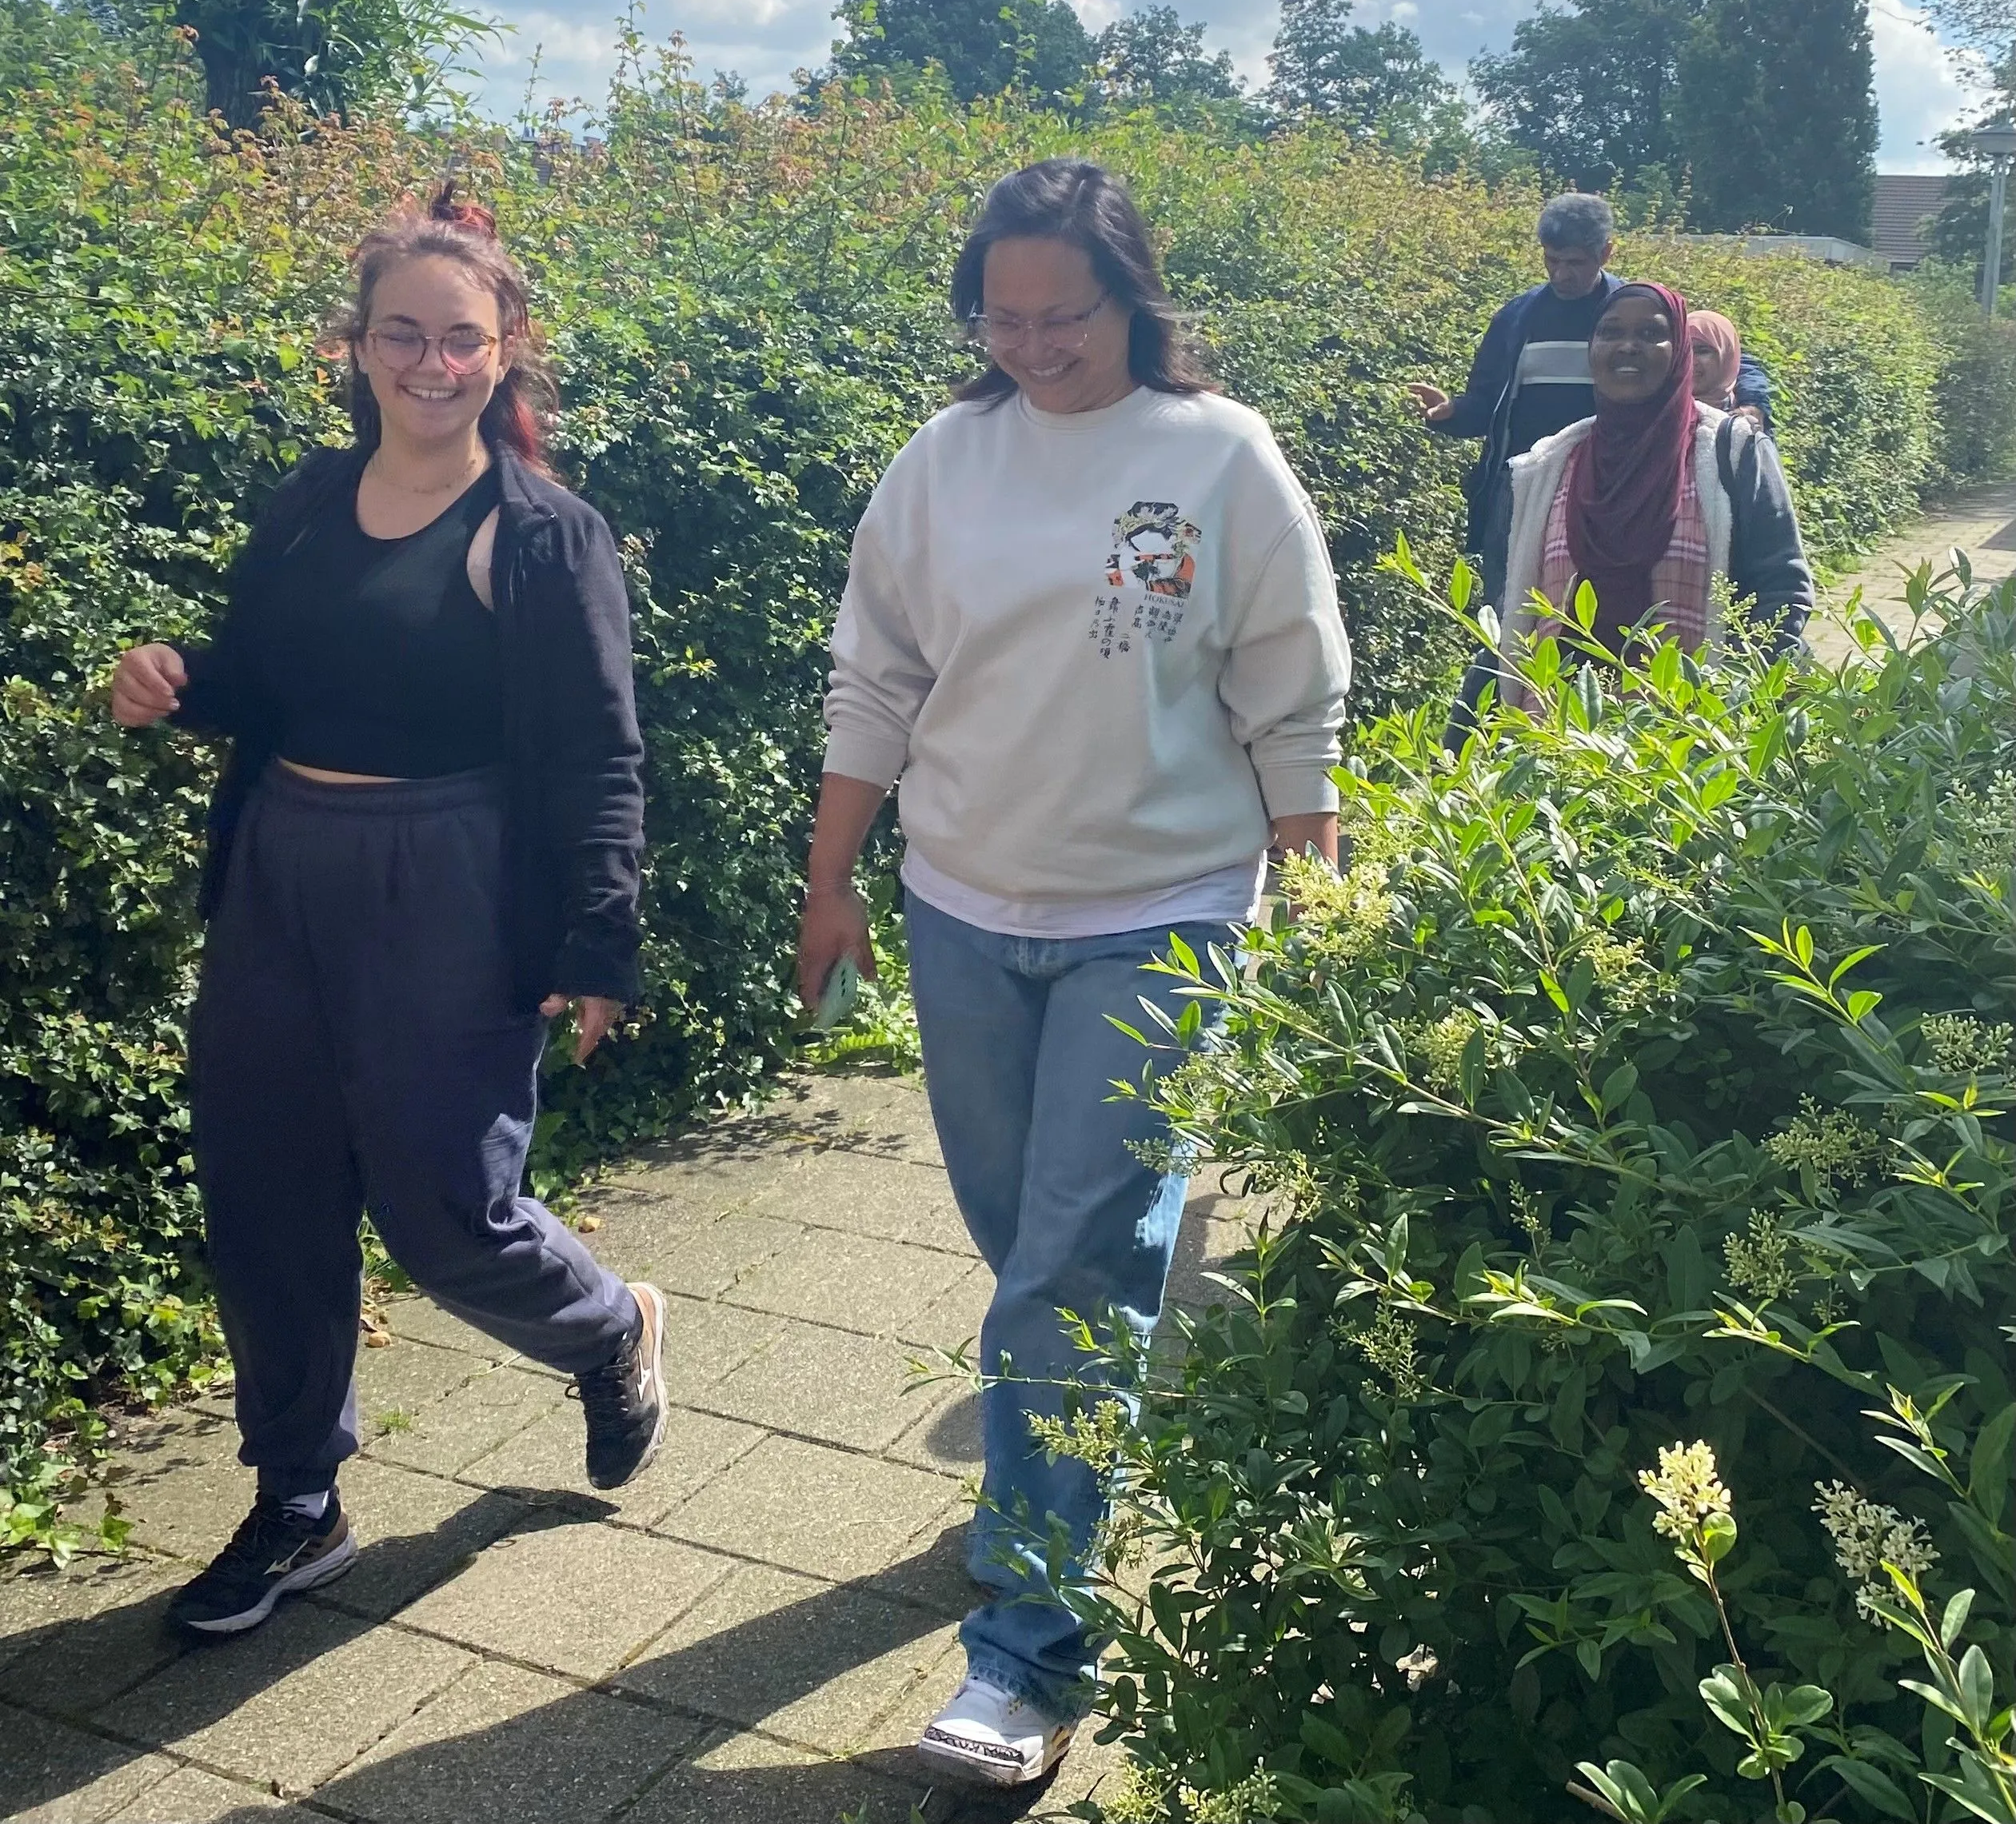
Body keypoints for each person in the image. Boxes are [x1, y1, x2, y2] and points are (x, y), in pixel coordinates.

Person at [796, 159, 1351, 1787]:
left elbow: (1288, 688)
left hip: (1162, 904)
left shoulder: (1217, 456)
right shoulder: (941, 464)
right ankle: (1103, 1375)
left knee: (1057, 1276)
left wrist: (1314, 891)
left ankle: (1026, 1653)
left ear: (1132, 296)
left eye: (1066, 313)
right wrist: (830, 878)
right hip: (964, 903)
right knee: (1030, 1240)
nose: (1032, 343)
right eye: (1002, 315)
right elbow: (875, 675)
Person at [110, 186, 669, 1638]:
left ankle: (608, 1327)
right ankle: (299, 1496)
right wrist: (177, 684)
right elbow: (264, 680)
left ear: (507, 351)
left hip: (453, 874)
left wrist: (597, 938)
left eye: (462, 340)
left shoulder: (546, 536)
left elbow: (603, 753)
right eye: (403, 336)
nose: (433, 364)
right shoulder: (307, 502)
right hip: (284, 863)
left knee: (447, 1211)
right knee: (266, 1186)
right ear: (355, 347)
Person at [1407, 194, 1774, 591]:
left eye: (1575, 263)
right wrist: (1452, 412)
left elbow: (1718, 351)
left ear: (1606, 253)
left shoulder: (1629, 313)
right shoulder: (1518, 319)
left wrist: (1753, 403)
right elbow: (1485, 404)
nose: (1562, 274)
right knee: (1513, 606)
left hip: (1611, 487)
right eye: (1552, 260)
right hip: (1525, 490)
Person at [1491, 281, 1812, 700]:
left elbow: (1782, 588)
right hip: (1559, 746)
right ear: (1592, 349)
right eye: (1610, 332)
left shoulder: (1731, 453)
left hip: (1688, 747)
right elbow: (1505, 614)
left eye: (1649, 334)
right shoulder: (1545, 469)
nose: (1628, 346)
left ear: (1678, 350)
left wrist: (1732, 709)